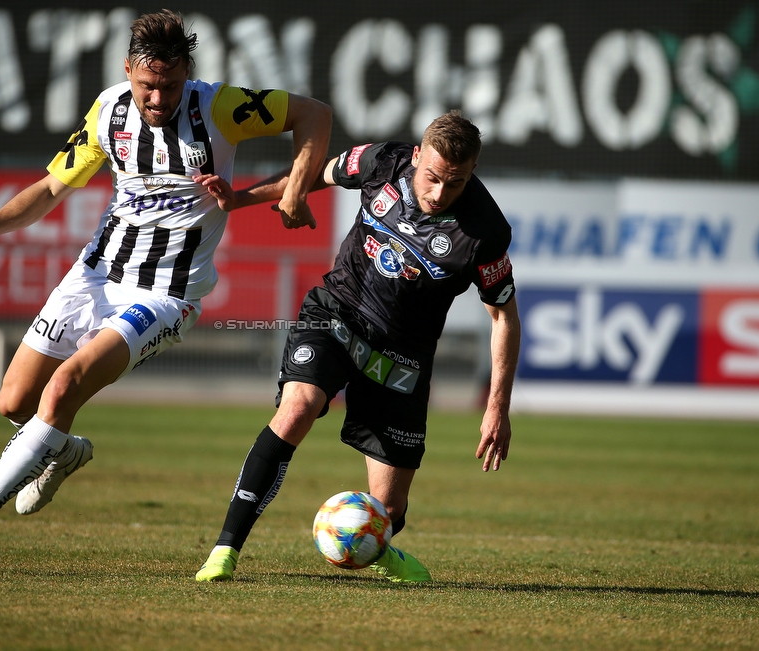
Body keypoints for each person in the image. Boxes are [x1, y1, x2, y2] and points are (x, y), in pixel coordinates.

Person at [0, 9, 331, 556]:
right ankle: (64, 452)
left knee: (63, 388)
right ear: (128, 70)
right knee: (15, 403)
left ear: (188, 74)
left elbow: (314, 114)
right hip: (95, 274)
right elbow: (50, 188)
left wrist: (295, 188)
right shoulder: (108, 110)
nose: (158, 99)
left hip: (166, 295)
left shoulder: (221, 106)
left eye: (171, 86)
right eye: (147, 86)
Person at [194, 110, 520, 583]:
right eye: (431, 177)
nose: (438, 193)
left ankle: (377, 548)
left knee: (389, 507)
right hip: (338, 314)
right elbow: (313, 175)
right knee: (297, 409)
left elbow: (503, 317)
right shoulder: (381, 162)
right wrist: (241, 200)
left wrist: (496, 408)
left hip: (403, 358)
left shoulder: (485, 232)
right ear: (415, 157)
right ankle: (224, 551)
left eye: (456, 183)